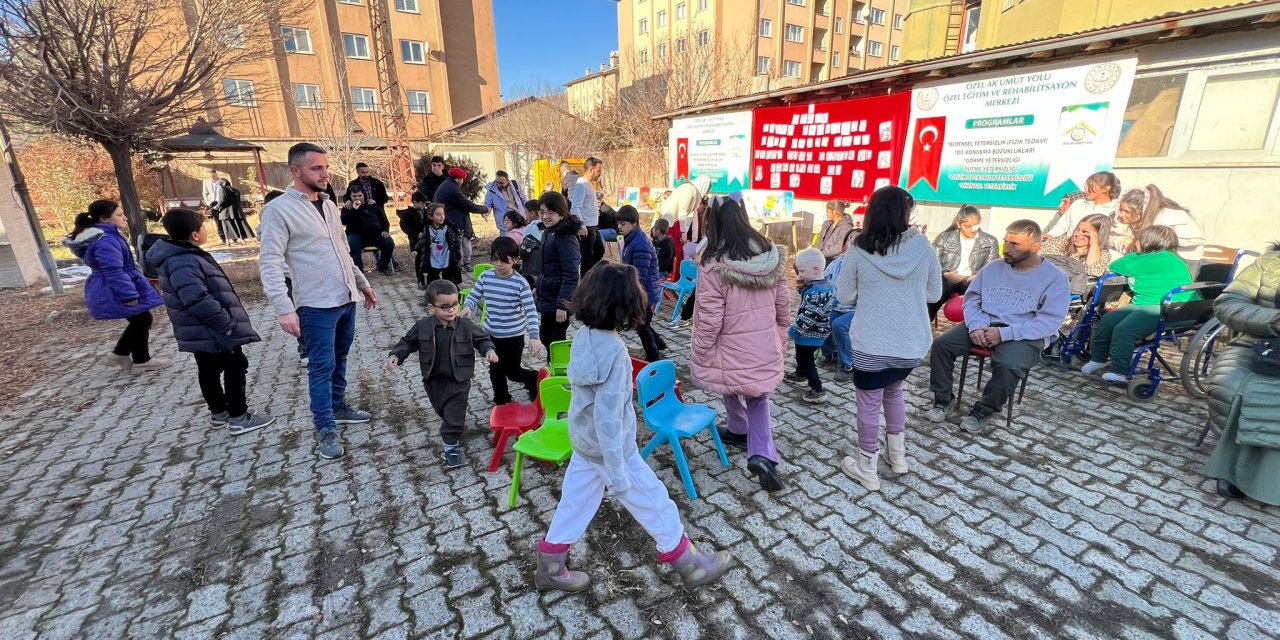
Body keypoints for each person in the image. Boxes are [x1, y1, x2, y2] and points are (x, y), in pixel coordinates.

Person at [533, 263, 732, 593]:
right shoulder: (615, 352)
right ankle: (690, 563)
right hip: (611, 449)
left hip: (584, 441)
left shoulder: (582, 336)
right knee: (653, 499)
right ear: (627, 305)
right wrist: (620, 473)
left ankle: (550, 565)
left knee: (576, 501)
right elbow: (609, 418)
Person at [259, 142, 378, 460]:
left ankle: (338, 407)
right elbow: (269, 262)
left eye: (325, 167)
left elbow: (343, 251)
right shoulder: (278, 210)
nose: (324, 173)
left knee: (340, 358)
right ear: (295, 171)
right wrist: (284, 308)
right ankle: (325, 427)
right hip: (314, 305)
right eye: (316, 168)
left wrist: (362, 284)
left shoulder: (327, 204)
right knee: (321, 367)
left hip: (345, 298)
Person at [835, 187, 942, 491]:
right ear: (905, 213)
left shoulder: (858, 247)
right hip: (911, 343)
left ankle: (867, 468)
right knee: (894, 392)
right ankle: (899, 458)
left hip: (872, 341)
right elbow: (934, 293)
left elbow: (844, 295)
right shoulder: (923, 246)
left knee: (869, 404)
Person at [926, 220, 1070, 434]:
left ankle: (985, 409)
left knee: (1009, 364)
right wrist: (975, 325)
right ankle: (942, 400)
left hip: (1024, 332)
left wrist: (1004, 334)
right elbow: (972, 299)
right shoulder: (993, 267)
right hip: (983, 323)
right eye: (1005, 242)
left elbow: (1049, 322)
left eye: (1015, 244)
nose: (1007, 248)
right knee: (941, 346)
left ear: (1036, 247)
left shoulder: (1055, 278)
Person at [690, 198, 791, 492]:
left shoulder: (712, 264)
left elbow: (710, 317)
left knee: (729, 381)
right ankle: (760, 451)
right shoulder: (770, 255)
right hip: (763, 342)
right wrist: (781, 329)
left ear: (714, 223)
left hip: (728, 345)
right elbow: (783, 302)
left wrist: (700, 348)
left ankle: (740, 430)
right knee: (758, 395)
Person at [148, 208, 274, 433]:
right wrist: (225, 324)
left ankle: (219, 413)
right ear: (195, 234)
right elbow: (196, 299)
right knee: (234, 367)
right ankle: (238, 417)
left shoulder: (183, 255)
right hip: (213, 330)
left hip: (204, 332)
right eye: (204, 227)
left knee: (209, 370)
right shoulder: (183, 261)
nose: (206, 230)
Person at [386, 279, 497, 468]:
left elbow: (483, 339)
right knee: (443, 410)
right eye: (445, 306)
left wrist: (489, 351)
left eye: (455, 304)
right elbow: (408, 342)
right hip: (433, 379)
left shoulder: (465, 325)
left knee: (454, 413)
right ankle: (452, 425)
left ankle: (450, 447)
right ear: (431, 308)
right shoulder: (423, 326)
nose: (451, 310)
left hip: (459, 379)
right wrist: (396, 355)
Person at [1202, 243, 1280, 505]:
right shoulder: (1269, 263)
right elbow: (1229, 302)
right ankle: (1232, 466)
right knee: (1231, 385)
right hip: (1258, 342)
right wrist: (1274, 319)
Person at [63, 200, 169, 373]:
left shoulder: (105, 235)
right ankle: (123, 354)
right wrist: (128, 295)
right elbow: (113, 271)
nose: (125, 218)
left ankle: (140, 359)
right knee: (142, 320)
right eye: (119, 215)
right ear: (104, 219)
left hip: (120, 283)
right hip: (116, 286)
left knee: (140, 319)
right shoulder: (105, 240)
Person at [1080, 226, 1195, 384]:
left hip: (1171, 307)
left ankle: (1120, 372)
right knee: (1108, 320)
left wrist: (1135, 255)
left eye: (1139, 239)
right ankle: (1099, 359)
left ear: (1148, 242)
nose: (1135, 241)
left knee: (1125, 330)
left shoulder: (1159, 259)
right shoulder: (1153, 258)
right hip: (1145, 302)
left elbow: (1117, 265)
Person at [462, 237, 543, 405]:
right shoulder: (486, 277)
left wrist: (534, 337)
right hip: (491, 334)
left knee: (512, 371)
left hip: (514, 336)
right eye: (495, 259)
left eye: (504, 261)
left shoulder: (520, 283)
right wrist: (468, 306)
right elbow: (474, 295)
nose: (499, 264)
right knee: (496, 368)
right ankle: (502, 398)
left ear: (515, 260)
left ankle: (533, 379)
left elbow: (531, 312)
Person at [928, 205, 1000, 321]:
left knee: (980, 299)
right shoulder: (944, 237)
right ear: (958, 224)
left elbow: (990, 266)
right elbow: (931, 261)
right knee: (935, 294)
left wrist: (978, 276)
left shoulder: (990, 241)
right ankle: (924, 324)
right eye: (967, 226)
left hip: (972, 280)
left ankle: (977, 329)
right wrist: (945, 274)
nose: (972, 230)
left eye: (975, 226)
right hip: (947, 277)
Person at [617, 205, 668, 362]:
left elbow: (640, 275)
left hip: (644, 292)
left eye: (623, 224)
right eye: (618, 223)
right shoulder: (632, 239)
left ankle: (653, 356)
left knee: (641, 326)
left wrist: (633, 296)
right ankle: (659, 343)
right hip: (641, 290)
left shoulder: (640, 244)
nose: (619, 227)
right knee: (643, 323)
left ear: (634, 223)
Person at [785, 247, 836, 403]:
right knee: (803, 356)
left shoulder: (815, 293)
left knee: (806, 360)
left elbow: (808, 317)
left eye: (801, 271)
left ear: (815, 270)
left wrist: (794, 331)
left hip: (809, 334)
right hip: (819, 333)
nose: (799, 275)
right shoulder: (825, 285)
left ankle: (817, 389)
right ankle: (799, 374)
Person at [535, 191, 582, 349]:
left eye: (550, 212)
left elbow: (571, 275)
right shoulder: (549, 232)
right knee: (546, 337)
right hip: (548, 296)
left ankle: (561, 370)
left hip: (559, 300)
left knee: (556, 342)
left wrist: (563, 305)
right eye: (542, 212)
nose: (545, 216)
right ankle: (552, 368)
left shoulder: (566, 237)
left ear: (561, 214)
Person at [1112, 185, 1206, 265]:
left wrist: (1157, 242)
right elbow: (1114, 236)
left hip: (1183, 261)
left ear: (1140, 211)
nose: (1120, 214)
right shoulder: (1134, 219)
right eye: (1120, 210)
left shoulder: (1167, 217)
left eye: (1126, 211)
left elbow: (1195, 239)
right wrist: (1126, 242)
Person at [435, 166, 488, 267]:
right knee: (460, 243)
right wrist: (484, 209)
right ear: (459, 179)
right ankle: (461, 264)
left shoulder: (446, 185)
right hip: (455, 220)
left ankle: (461, 263)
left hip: (448, 218)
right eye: (462, 179)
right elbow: (467, 205)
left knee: (461, 242)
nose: (463, 181)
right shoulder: (453, 189)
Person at [1043, 171, 1121, 238]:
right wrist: (1049, 236)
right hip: (1069, 249)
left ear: (1105, 189)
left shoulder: (1116, 210)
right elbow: (1061, 226)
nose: (1086, 190)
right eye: (1086, 186)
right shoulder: (1078, 203)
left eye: (1091, 186)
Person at [819, 255, 857, 383]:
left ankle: (848, 365)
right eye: (849, 239)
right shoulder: (837, 262)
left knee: (839, 325)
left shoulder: (867, 264)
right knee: (822, 318)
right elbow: (824, 278)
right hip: (837, 305)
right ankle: (830, 354)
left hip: (859, 309)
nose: (852, 243)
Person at [340, 189, 395, 275]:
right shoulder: (347, 208)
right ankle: (359, 272)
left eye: (359, 195)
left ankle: (382, 266)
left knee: (389, 243)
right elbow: (343, 221)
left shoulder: (372, 205)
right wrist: (354, 209)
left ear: (364, 196)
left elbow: (384, 220)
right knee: (352, 245)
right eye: (354, 196)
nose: (357, 198)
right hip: (357, 235)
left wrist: (385, 230)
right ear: (350, 197)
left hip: (376, 234)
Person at [1041, 214, 1112, 279]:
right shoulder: (1060, 242)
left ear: (1098, 235)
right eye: (1077, 229)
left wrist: (1094, 244)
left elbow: (1093, 272)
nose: (1077, 234)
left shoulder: (1103, 255)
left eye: (1085, 232)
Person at [414, 203, 463, 287]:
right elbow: (423, 240)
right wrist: (416, 249)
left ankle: (451, 296)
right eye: (438, 214)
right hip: (433, 258)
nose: (442, 216)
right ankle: (433, 297)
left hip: (446, 258)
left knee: (449, 281)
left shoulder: (448, 229)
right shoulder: (428, 229)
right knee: (432, 280)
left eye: (443, 214)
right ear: (431, 216)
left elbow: (455, 244)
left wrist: (456, 257)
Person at [570, 157, 604, 274]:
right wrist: (581, 225)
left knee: (599, 250)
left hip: (593, 225)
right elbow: (575, 207)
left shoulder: (588, 184)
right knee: (587, 258)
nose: (599, 174)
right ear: (590, 169)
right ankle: (586, 282)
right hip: (587, 227)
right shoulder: (581, 185)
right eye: (598, 171)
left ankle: (591, 275)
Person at [398, 191, 431, 289]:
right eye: (421, 203)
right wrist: (416, 233)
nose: (423, 205)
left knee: (429, 258)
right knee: (419, 258)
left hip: (428, 239)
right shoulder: (407, 214)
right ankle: (420, 278)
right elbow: (405, 227)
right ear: (415, 202)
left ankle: (430, 278)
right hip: (415, 241)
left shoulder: (427, 212)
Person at [484, 170, 522, 237]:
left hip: (518, 219)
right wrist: (486, 212)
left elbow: (523, 199)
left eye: (501, 183)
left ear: (507, 181)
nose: (499, 185)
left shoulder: (515, 185)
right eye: (497, 182)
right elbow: (488, 204)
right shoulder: (491, 189)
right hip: (504, 223)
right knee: (506, 244)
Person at [519, 199, 545, 290]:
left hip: (531, 268)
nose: (525, 216)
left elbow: (524, 250)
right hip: (543, 268)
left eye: (526, 213)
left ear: (532, 213)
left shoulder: (531, 228)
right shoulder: (546, 226)